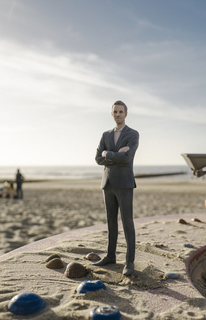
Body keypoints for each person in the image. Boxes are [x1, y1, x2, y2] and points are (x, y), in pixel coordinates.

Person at [94, 100, 139, 276]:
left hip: (125, 184)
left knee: (127, 222)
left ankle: (129, 262)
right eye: (115, 112)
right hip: (108, 183)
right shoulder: (105, 135)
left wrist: (108, 154)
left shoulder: (133, 134)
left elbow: (127, 158)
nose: (118, 114)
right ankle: (110, 256)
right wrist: (115, 154)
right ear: (112, 114)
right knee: (111, 222)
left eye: (121, 112)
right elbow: (98, 158)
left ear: (125, 114)